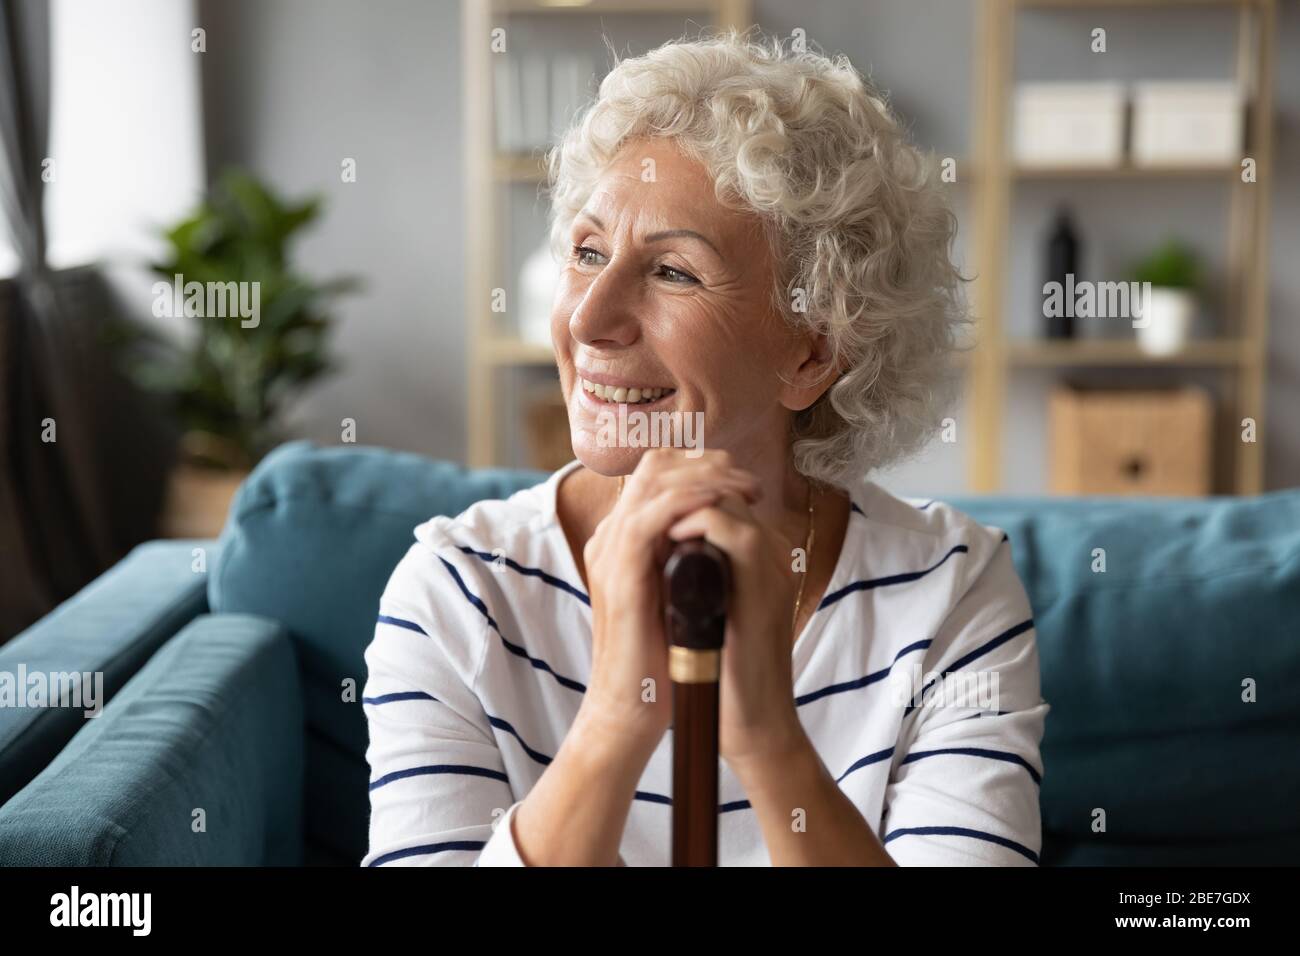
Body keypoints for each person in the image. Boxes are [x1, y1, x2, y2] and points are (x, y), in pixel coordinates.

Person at [362, 29, 1048, 866]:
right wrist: (618, 712)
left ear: (812, 353)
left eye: (673, 272)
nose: (587, 319)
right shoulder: (459, 593)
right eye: (586, 253)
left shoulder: (950, 593)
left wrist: (764, 734)